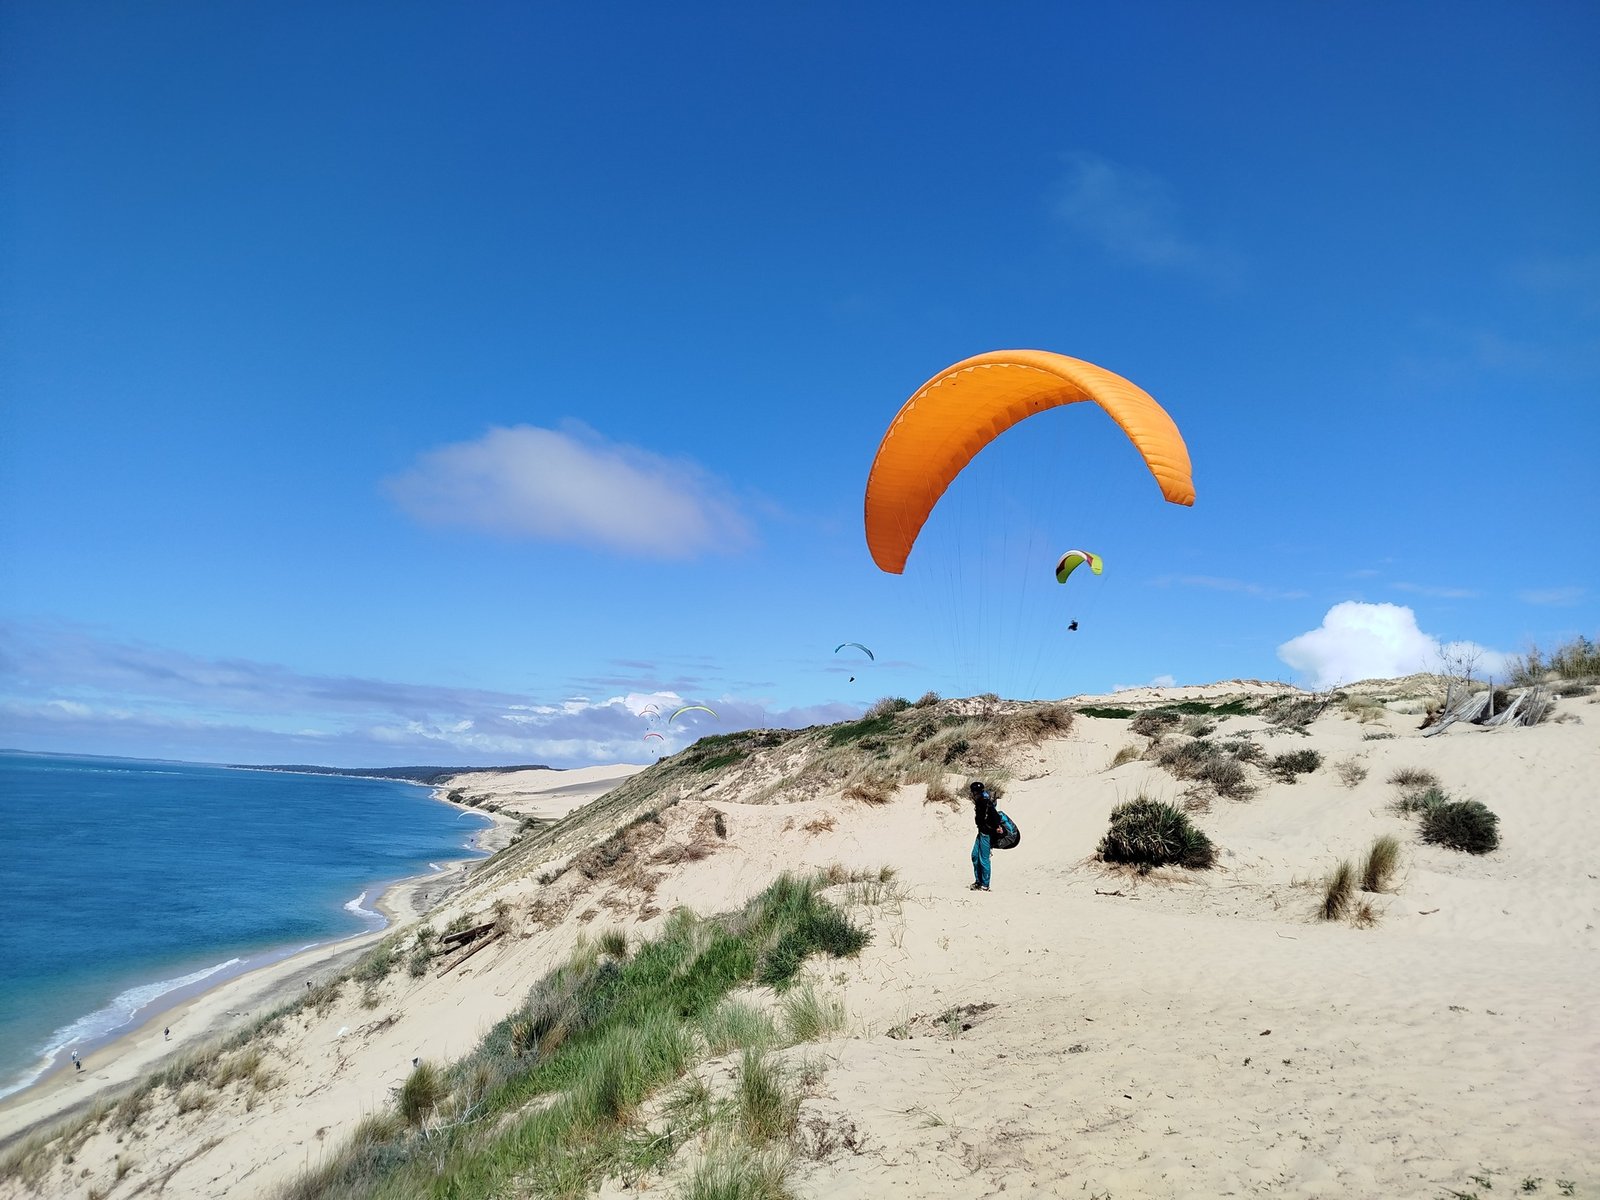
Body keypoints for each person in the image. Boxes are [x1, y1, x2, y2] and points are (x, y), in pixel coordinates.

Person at [969, 780, 1001, 891]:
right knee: (974, 856)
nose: (972, 794)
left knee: (984, 859)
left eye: (973, 792)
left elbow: (995, 816)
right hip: (981, 833)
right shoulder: (979, 802)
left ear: (977, 792)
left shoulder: (985, 802)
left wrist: (997, 826)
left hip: (986, 834)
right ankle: (978, 881)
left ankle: (985, 885)